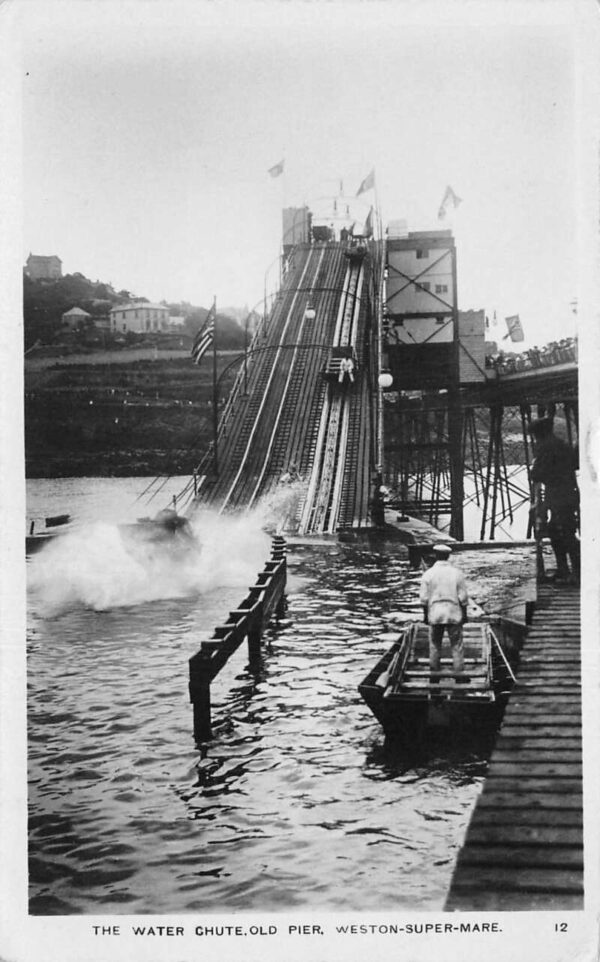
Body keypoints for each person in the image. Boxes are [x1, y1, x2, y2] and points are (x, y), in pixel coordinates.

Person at [529, 417, 580, 584]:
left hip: (558, 496)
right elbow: (574, 464)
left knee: (561, 533)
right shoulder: (562, 445)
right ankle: (570, 571)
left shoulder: (546, 447)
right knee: (565, 532)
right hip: (569, 495)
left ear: (539, 434)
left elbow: (537, 474)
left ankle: (571, 572)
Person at [419, 544, 469, 680]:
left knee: (435, 644)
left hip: (435, 613)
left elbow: (423, 599)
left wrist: (425, 616)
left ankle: (434, 675)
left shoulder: (428, 574)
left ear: (436, 555)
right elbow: (463, 597)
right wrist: (464, 615)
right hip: (453, 612)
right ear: (448, 556)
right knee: (457, 645)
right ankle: (459, 675)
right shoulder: (457, 573)